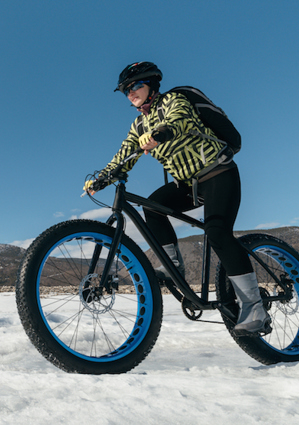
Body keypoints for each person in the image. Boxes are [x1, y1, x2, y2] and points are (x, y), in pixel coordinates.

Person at [83, 61, 270, 334]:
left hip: (218, 173)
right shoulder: (138, 124)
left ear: (152, 84)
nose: (131, 93)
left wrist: (161, 134)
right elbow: (124, 155)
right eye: (126, 90)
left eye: (136, 85)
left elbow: (179, 120)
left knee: (217, 232)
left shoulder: (174, 100)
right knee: (153, 206)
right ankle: (173, 267)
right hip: (188, 185)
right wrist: (103, 177)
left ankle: (255, 308)